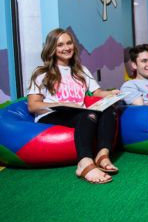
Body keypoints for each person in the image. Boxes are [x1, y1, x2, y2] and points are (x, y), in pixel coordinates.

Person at [27, 28, 119, 184]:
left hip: (78, 113)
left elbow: (97, 92)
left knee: (109, 110)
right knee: (88, 114)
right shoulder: (42, 72)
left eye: (69, 43)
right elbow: (33, 105)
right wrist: (62, 103)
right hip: (51, 114)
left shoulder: (81, 70)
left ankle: (102, 155)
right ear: (52, 49)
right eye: (60, 45)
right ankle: (84, 163)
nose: (66, 48)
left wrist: (111, 94)